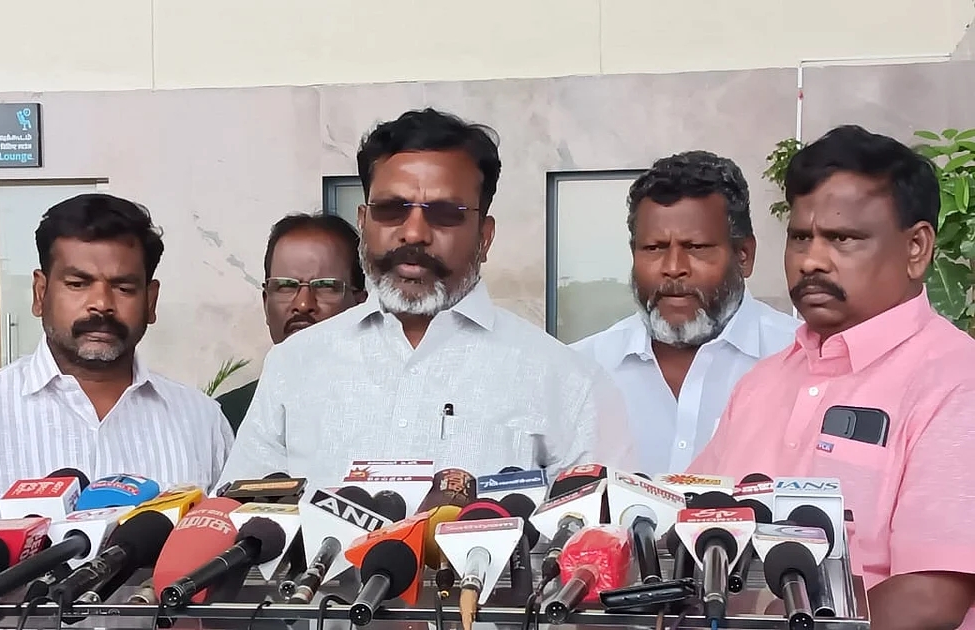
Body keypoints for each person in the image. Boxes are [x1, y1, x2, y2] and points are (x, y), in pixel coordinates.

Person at [220, 108, 635, 486]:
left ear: (485, 236)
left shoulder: (566, 381)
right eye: (391, 209)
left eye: (444, 213)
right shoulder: (295, 366)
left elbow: (599, 533)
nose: (414, 233)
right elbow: (242, 518)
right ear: (363, 223)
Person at [689, 125, 975, 630]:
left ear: (917, 248)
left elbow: (932, 597)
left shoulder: (956, 382)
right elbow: (691, 525)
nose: (811, 261)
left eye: (843, 239)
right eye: (800, 237)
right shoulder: (761, 383)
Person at [0, 193, 233, 572]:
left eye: (124, 287)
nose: (101, 304)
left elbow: (234, 567)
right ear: (40, 293)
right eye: (78, 284)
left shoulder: (202, 421)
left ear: (151, 300)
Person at [571, 151, 798, 475]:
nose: (673, 268)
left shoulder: (798, 361)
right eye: (654, 248)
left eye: (696, 248)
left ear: (744, 255)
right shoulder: (582, 371)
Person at [216, 213, 366, 432]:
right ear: (266, 302)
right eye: (286, 286)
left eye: (325, 286)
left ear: (360, 305)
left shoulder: (391, 410)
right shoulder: (224, 419)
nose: (303, 304)